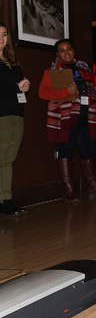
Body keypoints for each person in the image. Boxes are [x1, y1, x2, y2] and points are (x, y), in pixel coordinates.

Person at [39, 39, 96, 201]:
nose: (66, 53)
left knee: (89, 151)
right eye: (62, 50)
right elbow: (43, 93)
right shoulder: (52, 71)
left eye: (69, 49)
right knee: (65, 151)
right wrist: (66, 91)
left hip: (86, 116)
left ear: (73, 51)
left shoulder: (84, 68)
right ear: (57, 54)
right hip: (65, 119)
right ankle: (69, 192)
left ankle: (93, 187)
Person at [0, 22, 29, 215]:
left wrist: (24, 87)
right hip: (1, 114)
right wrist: (16, 87)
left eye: (4, 34)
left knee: (8, 160)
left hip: (16, 114)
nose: (1, 38)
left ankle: (6, 199)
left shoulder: (11, 62)